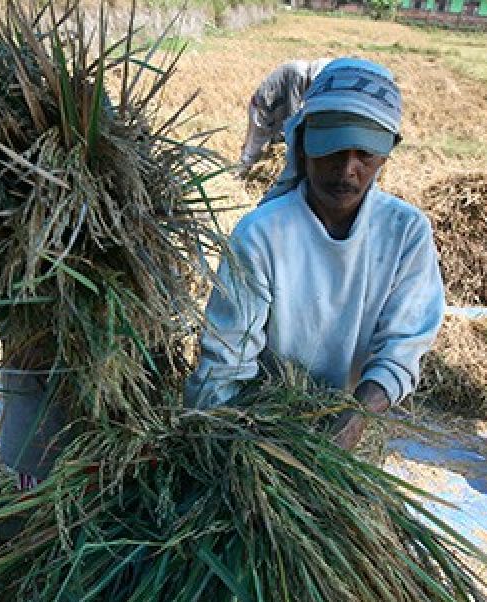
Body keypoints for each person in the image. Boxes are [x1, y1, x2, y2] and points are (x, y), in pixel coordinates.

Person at [188, 57, 445, 453]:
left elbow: (402, 346)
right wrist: (223, 443)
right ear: (303, 141)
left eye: (365, 154)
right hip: (260, 422)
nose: (347, 170)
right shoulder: (263, 234)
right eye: (332, 151)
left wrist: (355, 420)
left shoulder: (406, 233)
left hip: (354, 419)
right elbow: (226, 359)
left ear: (387, 152)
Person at [238, 58, 332, 175]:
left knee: (277, 144)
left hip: (278, 108)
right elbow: (293, 113)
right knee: (253, 149)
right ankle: (239, 176)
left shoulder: (306, 78)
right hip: (263, 109)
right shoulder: (298, 74)